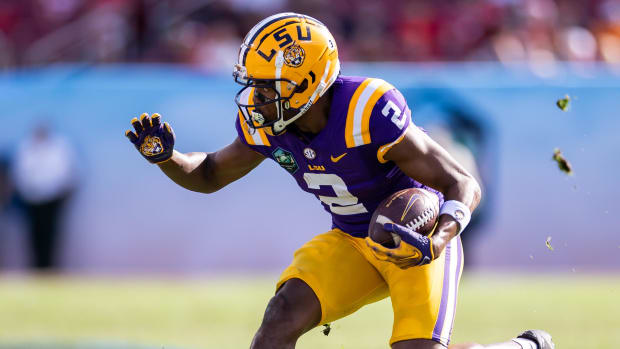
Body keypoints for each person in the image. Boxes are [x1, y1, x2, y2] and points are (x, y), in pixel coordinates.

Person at [125, 13, 553, 349]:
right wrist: (168, 158)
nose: (255, 97)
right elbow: (211, 174)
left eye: (266, 87)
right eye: (252, 85)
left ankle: (520, 346)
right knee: (278, 321)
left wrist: (437, 240)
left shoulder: (365, 109)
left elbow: (463, 183)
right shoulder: (267, 123)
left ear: (307, 84)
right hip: (352, 240)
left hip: (414, 238)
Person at [12, 123, 77, 270]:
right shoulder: (26, 147)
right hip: (31, 199)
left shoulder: (60, 146)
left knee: (51, 234)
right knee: (34, 235)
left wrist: (62, 191)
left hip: (53, 198)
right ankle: (36, 268)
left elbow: (68, 171)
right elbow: (20, 173)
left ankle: (50, 268)